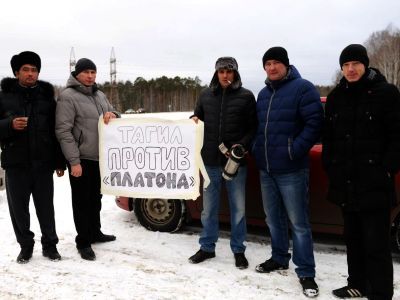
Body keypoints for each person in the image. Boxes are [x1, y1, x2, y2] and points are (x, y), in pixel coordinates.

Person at [322, 44, 400, 300]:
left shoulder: (386, 93)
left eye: (355, 63)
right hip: (346, 183)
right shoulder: (335, 98)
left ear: (365, 65)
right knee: (353, 239)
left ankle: (380, 293)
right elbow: (329, 139)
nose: (350, 69)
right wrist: (330, 168)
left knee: (376, 244)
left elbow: (397, 137)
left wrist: (386, 169)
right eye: (345, 65)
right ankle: (356, 283)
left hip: (374, 183)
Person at [252, 47, 323, 297]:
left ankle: (306, 272)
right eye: (267, 63)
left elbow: (315, 123)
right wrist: (256, 149)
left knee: (299, 224)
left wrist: (295, 150)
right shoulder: (262, 94)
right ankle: (279, 257)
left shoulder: (302, 88)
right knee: (273, 219)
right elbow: (258, 128)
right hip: (267, 169)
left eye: (276, 63)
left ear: (286, 65)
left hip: (292, 169)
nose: (271, 68)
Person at [188, 57, 257, 269]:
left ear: (235, 73)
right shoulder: (206, 95)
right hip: (209, 161)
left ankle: (238, 250)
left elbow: (253, 128)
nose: (225, 75)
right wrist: (193, 120)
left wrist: (241, 146)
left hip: (235, 163)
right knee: (208, 209)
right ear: (216, 73)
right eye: (221, 72)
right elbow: (197, 117)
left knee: (238, 210)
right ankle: (207, 247)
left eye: (229, 71)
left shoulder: (246, 96)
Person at [0, 51, 66, 263]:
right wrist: (9, 125)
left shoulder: (47, 97)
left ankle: (50, 245)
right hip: (15, 164)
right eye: (26, 70)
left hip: (43, 163)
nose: (30, 74)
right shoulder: (3, 97)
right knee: (19, 210)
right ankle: (26, 246)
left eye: (34, 70)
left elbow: (55, 130)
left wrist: (59, 161)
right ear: (17, 72)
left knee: (46, 208)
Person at [55, 58, 119, 261]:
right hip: (81, 158)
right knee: (82, 201)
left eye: (93, 72)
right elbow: (63, 131)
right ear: (77, 74)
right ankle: (83, 241)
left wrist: (112, 114)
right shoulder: (68, 96)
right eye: (86, 72)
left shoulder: (99, 94)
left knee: (96, 199)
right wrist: (74, 162)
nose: (90, 76)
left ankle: (95, 232)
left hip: (100, 158)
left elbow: (117, 113)